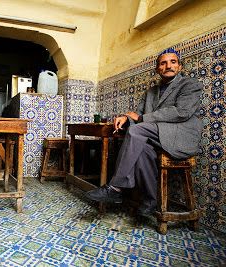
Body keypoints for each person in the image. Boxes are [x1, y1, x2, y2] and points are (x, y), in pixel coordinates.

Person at [85, 48, 203, 217]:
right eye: (163, 63)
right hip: (157, 136)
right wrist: (126, 117)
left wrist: (139, 119)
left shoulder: (190, 85)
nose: (168, 66)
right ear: (157, 69)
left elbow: (181, 112)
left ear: (180, 67)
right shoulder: (150, 93)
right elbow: (138, 115)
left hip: (179, 137)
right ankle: (150, 201)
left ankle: (115, 188)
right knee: (142, 151)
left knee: (136, 130)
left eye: (173, 62)